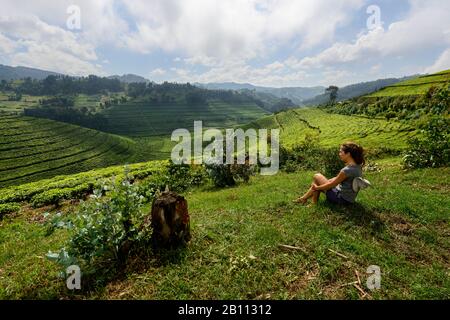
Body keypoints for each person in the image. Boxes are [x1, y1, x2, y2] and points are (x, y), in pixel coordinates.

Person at [293, 142, 365, 206]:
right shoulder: (358, 166)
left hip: (340, 199)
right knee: (318, 181)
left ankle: (311, 202)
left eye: (341, 152)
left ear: (348, 154)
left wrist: (317, 188)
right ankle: (304, 199)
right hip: (349, 200)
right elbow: (338, 180)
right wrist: (326, 182)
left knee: (316, 176)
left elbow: (331, 185)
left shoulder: (347, 170)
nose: (339, 154)